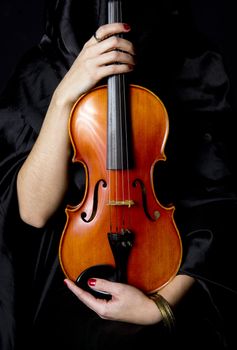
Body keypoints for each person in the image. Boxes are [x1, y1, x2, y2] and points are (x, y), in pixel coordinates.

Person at [0, 0, 237, 349]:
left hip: (165, 274)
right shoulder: (40, 73)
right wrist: (65, 95)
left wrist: (160, 307)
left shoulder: (192, 62)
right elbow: (33, 213)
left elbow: (217, 203)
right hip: (66, 282)